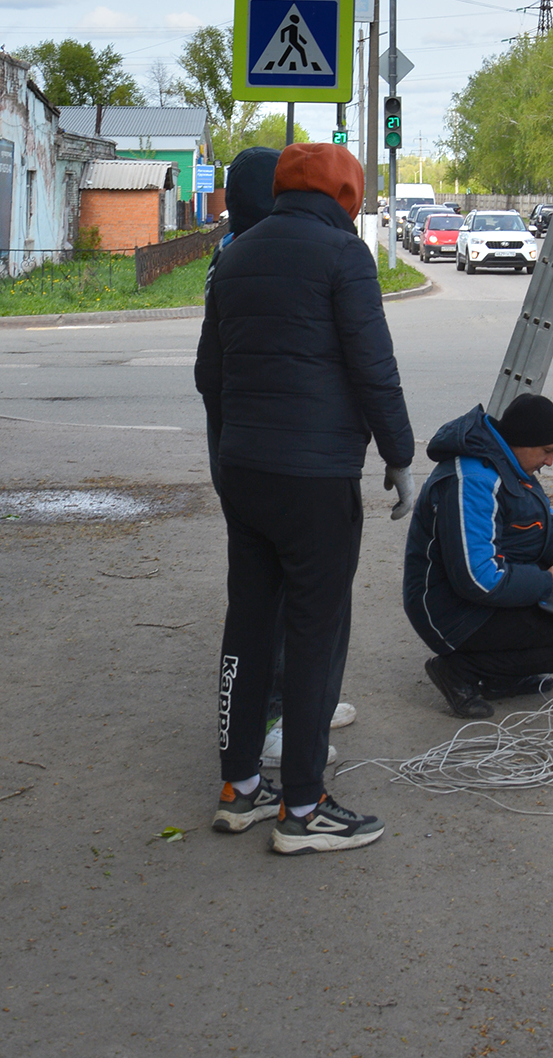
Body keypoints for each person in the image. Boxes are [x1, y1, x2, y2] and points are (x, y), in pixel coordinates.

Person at [195, 140, 416, 851]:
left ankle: (239, 790)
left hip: (245, 472)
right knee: (315, 636)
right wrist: (400, 456)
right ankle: (302, 808)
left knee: (249, 624)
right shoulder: (343, 257)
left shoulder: (235, 254)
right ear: (346, 197)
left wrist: (238, 447)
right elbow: (373, 366)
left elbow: (210, 372)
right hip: (315, 479)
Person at [201, 145, 355, 770]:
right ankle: (275, 723)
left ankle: (299, 701)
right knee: (277, 602)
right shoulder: (250, 255)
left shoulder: (239, 251)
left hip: (244, 445)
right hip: (263, 451)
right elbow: (213, 370)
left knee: (279, 597)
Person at [403, 393, 553, 720]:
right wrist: (547, 582)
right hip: (446, 610)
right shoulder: (473, 480)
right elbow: (476, 579)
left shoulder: (507, 463)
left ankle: (499, 677)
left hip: (473, 597)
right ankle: (458, 669)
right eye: (548, 452)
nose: (550, 462)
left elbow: (549, 528)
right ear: (523, 441)